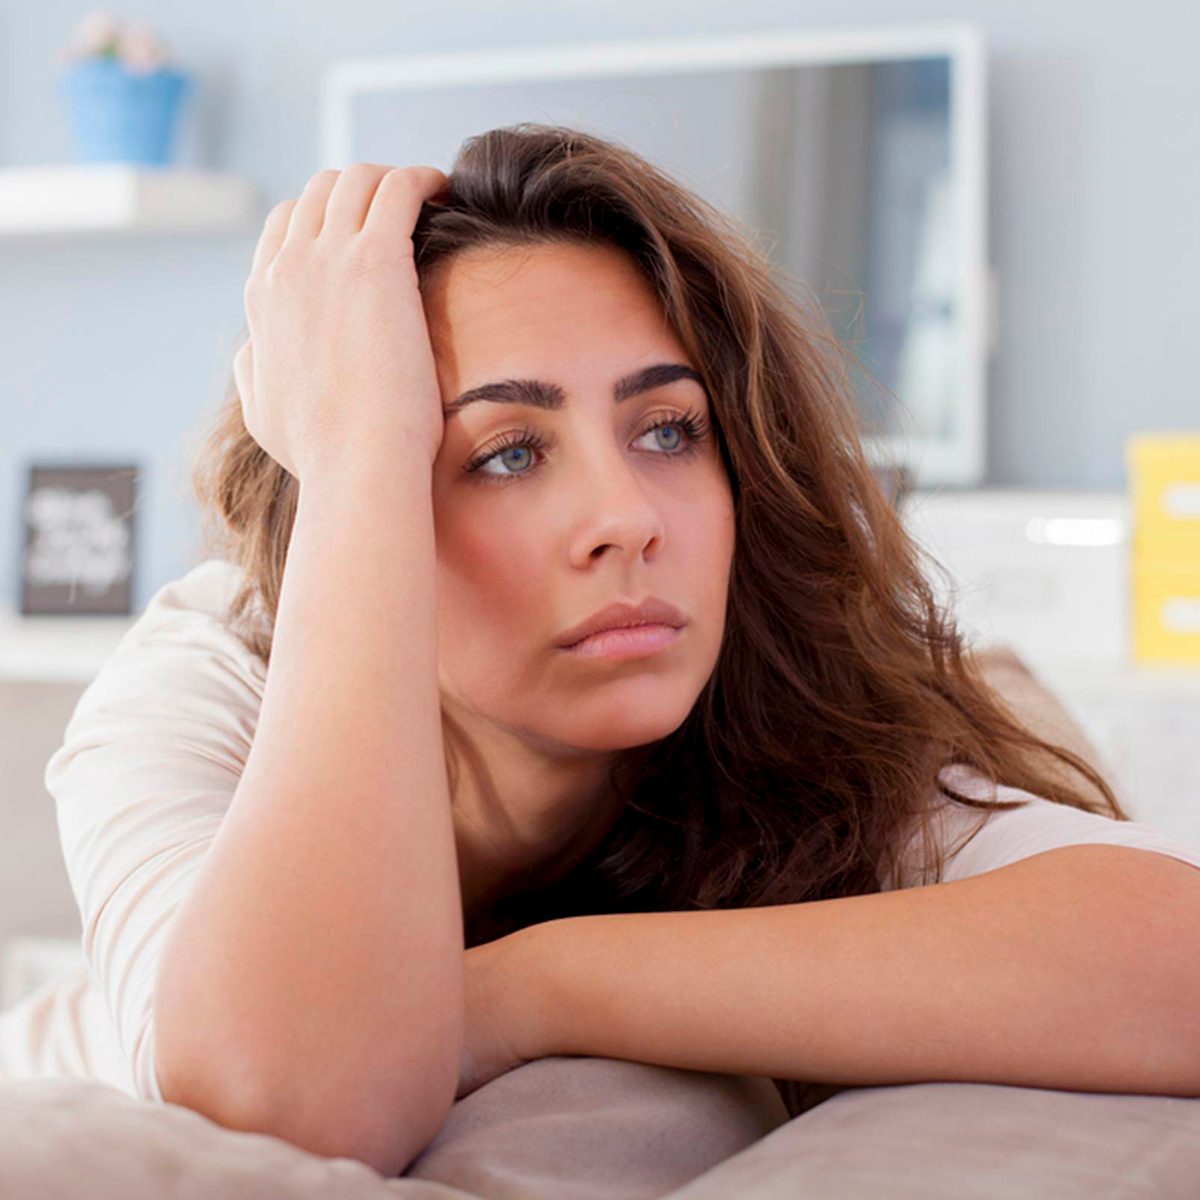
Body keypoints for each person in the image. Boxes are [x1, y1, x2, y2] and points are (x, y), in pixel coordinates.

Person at [4, 124, 1200, 1180]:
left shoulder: (794, 720)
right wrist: (366, 443)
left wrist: (531, 987)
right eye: (508, 452)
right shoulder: (212, 670)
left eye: (670, 429)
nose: (628, 517)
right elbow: (295, 1104)